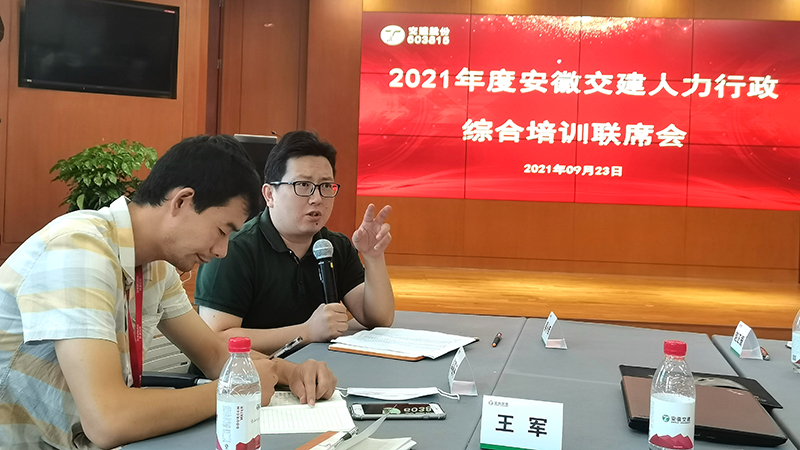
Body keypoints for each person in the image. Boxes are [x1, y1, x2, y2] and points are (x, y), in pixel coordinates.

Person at [0, 135, 336, 450]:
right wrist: (234, 391)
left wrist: (287, 371)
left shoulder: (154, 266)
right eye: (222, 231)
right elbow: (108, 420)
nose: (222, 251)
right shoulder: (78, 249)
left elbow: (214, 355)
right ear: (182, 201)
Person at [194, 131, 395, 354]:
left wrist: (373, 257)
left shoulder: (334, 246)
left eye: (325, 186)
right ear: (269, 195)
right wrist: (306, 332)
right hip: (247, 373)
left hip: (315, 370)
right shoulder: (233, 250)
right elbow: (217, 339)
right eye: (303, 185)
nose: (317, 198)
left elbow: (377, 318)